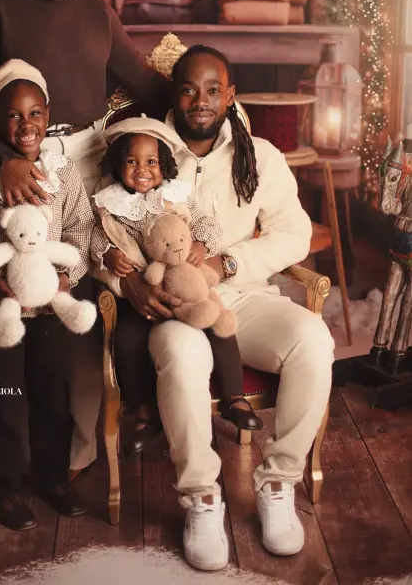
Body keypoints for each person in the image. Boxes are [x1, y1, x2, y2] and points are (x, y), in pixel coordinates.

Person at [0, 0, 168, 474]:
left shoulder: (94, 9)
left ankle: (72, 449)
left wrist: (209, 110)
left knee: (77, 304)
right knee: (20, 303)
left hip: (91, 159)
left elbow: (143, 78)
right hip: (22, 164)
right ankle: (13, 460)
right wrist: (5, 157)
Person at [119, 45, 334, 572]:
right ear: (174, 92)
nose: (201, 100)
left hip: (243, 297)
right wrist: (126, 281)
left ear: (230, 95)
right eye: (189, 88)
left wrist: (227, 263)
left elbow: (295, 233)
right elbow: (104, 225)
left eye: (214, 89)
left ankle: (279, 482)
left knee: (314, 339)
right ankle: (202, 498)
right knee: (185, 355)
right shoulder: (148, 149)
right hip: (176, 307)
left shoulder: (258, 155)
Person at [0, 60, 95, 531]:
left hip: (51, 306)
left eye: (35, 113)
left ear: (47, 115)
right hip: (0, 309)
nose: (26, 124)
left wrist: (64, 279)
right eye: (12, 115)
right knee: (4, 398)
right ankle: (4, 487)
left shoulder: (64, 173)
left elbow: (79, 229)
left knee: (53, 394)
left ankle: (52, 478)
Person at [90, 117, 262, 454]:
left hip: (185, 284)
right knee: (126, 340)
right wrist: (108, 255)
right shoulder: (110, 203)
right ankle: (142, 410)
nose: (142, 169)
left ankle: (234, 397)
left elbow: (208, 225)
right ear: (117, 164)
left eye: (151, 161)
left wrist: (201, 246)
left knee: (219, 321)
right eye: (132, 161)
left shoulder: (176, 195)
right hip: (146, 293)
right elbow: (97, 237)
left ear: (164, 164)